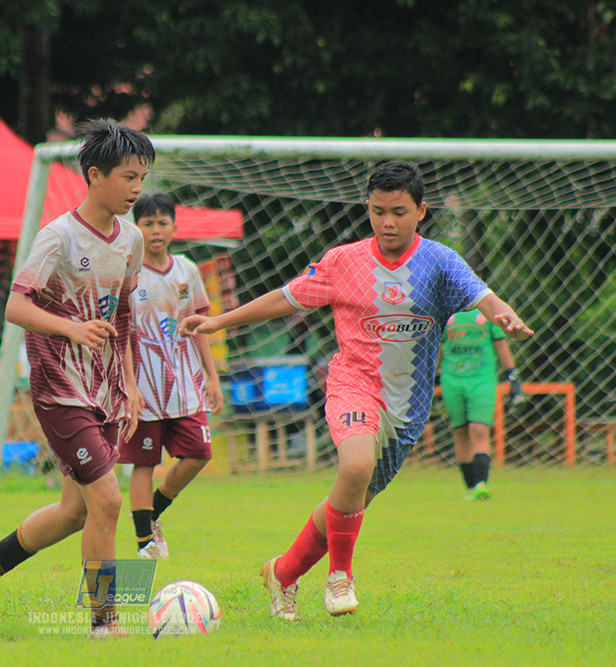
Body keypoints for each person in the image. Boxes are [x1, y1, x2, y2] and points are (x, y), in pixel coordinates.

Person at [179, 161, 533, 620]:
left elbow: (482, 294)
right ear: (367, 208)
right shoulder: (342, 261)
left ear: (421, 211)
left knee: (346, 505)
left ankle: (282, 574)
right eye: (378, 211)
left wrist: (504, 313)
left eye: (399, 212)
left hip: (406, 409)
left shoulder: (441, 262)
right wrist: (218, 321)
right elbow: (284, 297)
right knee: (356, 465)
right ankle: (339, 578)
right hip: (353, 384)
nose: (388, 222)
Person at [0, 119, 154, 638]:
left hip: (106, 390)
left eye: (143, 177)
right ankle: (105, 621)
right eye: (129, 176)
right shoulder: (59, 236)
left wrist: (131, 384)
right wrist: (70, 327)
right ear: (95, 175)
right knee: (109, 501)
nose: (138, 188)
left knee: (76, 511)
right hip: (58, 388)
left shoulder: (131, 239)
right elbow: (15, 306)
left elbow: (123, 319)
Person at [118, 192, 223, 559]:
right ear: (136, 228)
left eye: (163, 223)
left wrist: (212, 376)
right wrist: (129, 385)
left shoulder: (187, 270)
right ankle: (144, 541)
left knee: (199, 453)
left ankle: (152, 513)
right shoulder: (128, 274)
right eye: (148, 223)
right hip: (145, 389)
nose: (156, 230)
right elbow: (123, 334)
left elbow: (201, 325)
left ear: (175, 228)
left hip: (186, 385)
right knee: (144, 462)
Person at [439, 309, 523, 500]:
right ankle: (469, 486)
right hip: (452, 380)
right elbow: (439, 347)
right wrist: (429, 377)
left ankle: (481, 484)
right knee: (460, 431)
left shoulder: (487, 311)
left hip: (482, 380)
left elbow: (501, 344)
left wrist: (512, 375)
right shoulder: (446, 312)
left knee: (479, 429)